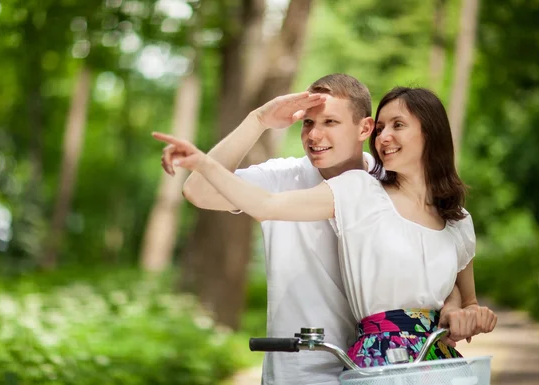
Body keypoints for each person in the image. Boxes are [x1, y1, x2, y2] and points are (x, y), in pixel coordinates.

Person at [159, 76, 491, 381]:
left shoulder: (393, 188)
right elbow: (200, 191)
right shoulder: (286, 179)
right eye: (308, 123)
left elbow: (435, 273)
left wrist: (454, 309)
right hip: (302, 365)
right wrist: (257, 121)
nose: (314, 135)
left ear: (364, 128)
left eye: (330, 122)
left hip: (381, 365)